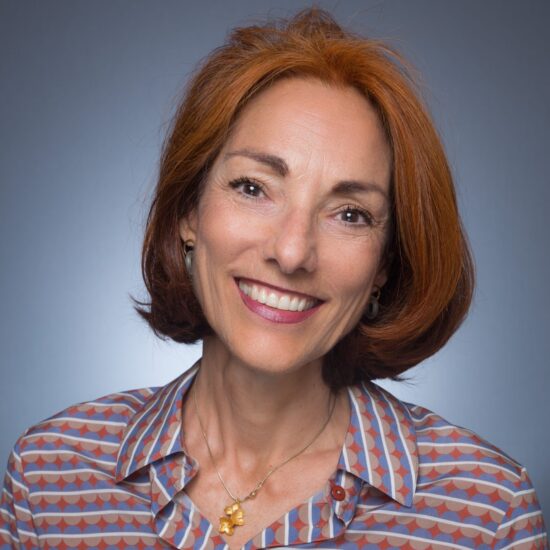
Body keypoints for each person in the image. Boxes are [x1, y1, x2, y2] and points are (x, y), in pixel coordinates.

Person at [0, 8, 546, 550]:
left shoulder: (486, 512)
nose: (291, 252)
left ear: (384, 264)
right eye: (253, 188)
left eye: (350, 214)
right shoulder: (49, 478)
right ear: (188, 212)